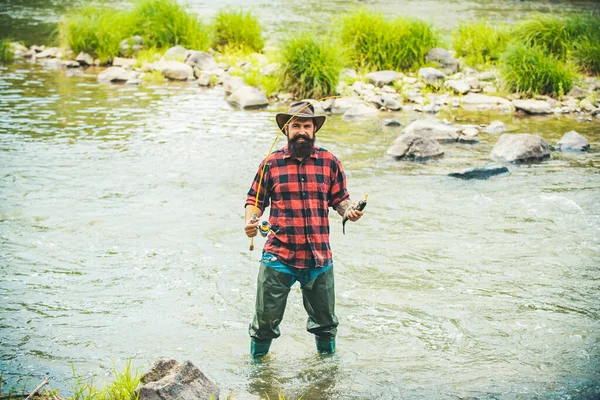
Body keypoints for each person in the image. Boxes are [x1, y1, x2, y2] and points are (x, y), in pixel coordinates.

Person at [244, 101, 363, 357]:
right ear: (287, 130)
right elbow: (255, 200)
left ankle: (327, 374)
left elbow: (339, 199)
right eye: (296, 125)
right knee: (264, 324)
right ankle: (257, 373)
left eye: (306, 126)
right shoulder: (271, 164)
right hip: (278, 257)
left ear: (313, 130)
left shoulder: (330, 162)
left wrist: (348, 210)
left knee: (326, 325)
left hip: (318, 258)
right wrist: (250, 222)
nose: (301, 131)